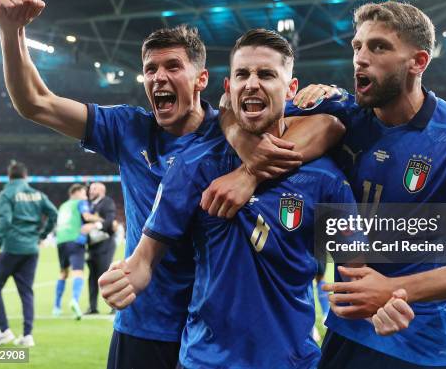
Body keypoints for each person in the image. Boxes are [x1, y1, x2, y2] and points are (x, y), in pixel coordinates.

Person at [0, 0, 344, 369]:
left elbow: (327, 123)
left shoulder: (230, 132)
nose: (159, 77)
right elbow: (35, 103)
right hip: (144, 319)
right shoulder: (128, 129)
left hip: (211, 327)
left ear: (202, 80)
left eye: (173, 67)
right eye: (150, 70)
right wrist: (11, 32)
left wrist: (248, 164)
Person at [100, 29, 415, 369]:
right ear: (229, 89)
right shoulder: (192, 167)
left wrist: (380, 305)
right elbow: (145, 258)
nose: (252, 84)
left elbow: (356, 274)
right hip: (203, 361)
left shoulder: (327, 181)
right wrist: (128, 275)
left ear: (291, 89)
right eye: (242, 75)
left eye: (266, 74)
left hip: (292, 362)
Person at [283, 1, 446, 368]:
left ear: (418, 62)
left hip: (424, 346)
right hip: (346, 336)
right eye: (357, 46)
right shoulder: (343, 116)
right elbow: (235, 117)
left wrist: (391, 290)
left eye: (379, 46)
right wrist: (246, 173)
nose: (361, 58)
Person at [0, 162, 57, 347]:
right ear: (26, 177)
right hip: (31, 249)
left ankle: (4, 331)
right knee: (26, 292)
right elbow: (53, 214)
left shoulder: (6, 194)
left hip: (12, 247)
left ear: (9, 177)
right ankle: (27, 336)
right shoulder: (37, 194)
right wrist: (41, 235)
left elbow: (5, 220)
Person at [53, 183, 93, 320]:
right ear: (75, 192)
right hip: (75, 239)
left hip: (61, 241)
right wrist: (100, 220)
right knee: (78, 272)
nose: (85, 196)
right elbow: (87, 217)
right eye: (83, 193)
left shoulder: (63, 206)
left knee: (63, 273)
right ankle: (74, 300)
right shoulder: (80, 202)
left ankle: (56, 306)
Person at [83, 182, 117, 315]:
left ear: (102, 190)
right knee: (92, 277)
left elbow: (110, 220)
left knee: (105, 275)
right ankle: (92, 307)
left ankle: (115, 306)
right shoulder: (89, 204)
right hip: (92, 245)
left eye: (94, 189)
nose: (91, 191)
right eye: (90, 189)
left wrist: (94, 225)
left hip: (105, 243)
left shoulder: (107, 202)